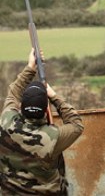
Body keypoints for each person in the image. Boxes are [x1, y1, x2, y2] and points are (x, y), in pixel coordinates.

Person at [0, 48, 84, 195]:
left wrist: (30, 67)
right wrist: (54, 96)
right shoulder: (53, 138)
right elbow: (76, 124)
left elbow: (13, 93)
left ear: (21, 106)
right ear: (45, 109)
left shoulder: (6, 123)